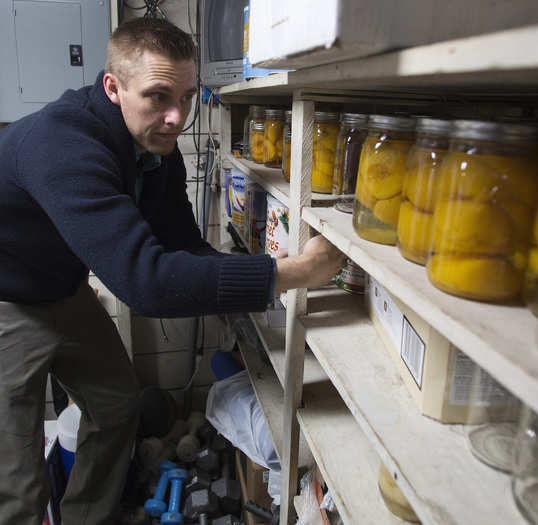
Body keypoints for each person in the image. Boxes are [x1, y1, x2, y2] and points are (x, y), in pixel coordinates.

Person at [0, 17, 344, 525]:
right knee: (17, 477)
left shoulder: (155, 151)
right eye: (158, 97)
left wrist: (259, 282)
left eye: (187, 96)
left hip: (60, 288)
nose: (175, 116)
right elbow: (146, 283)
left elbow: (182, 246)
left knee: (117, 407)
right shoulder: (64, 144)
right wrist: (289, 274)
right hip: (7, 300)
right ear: (113, 88)